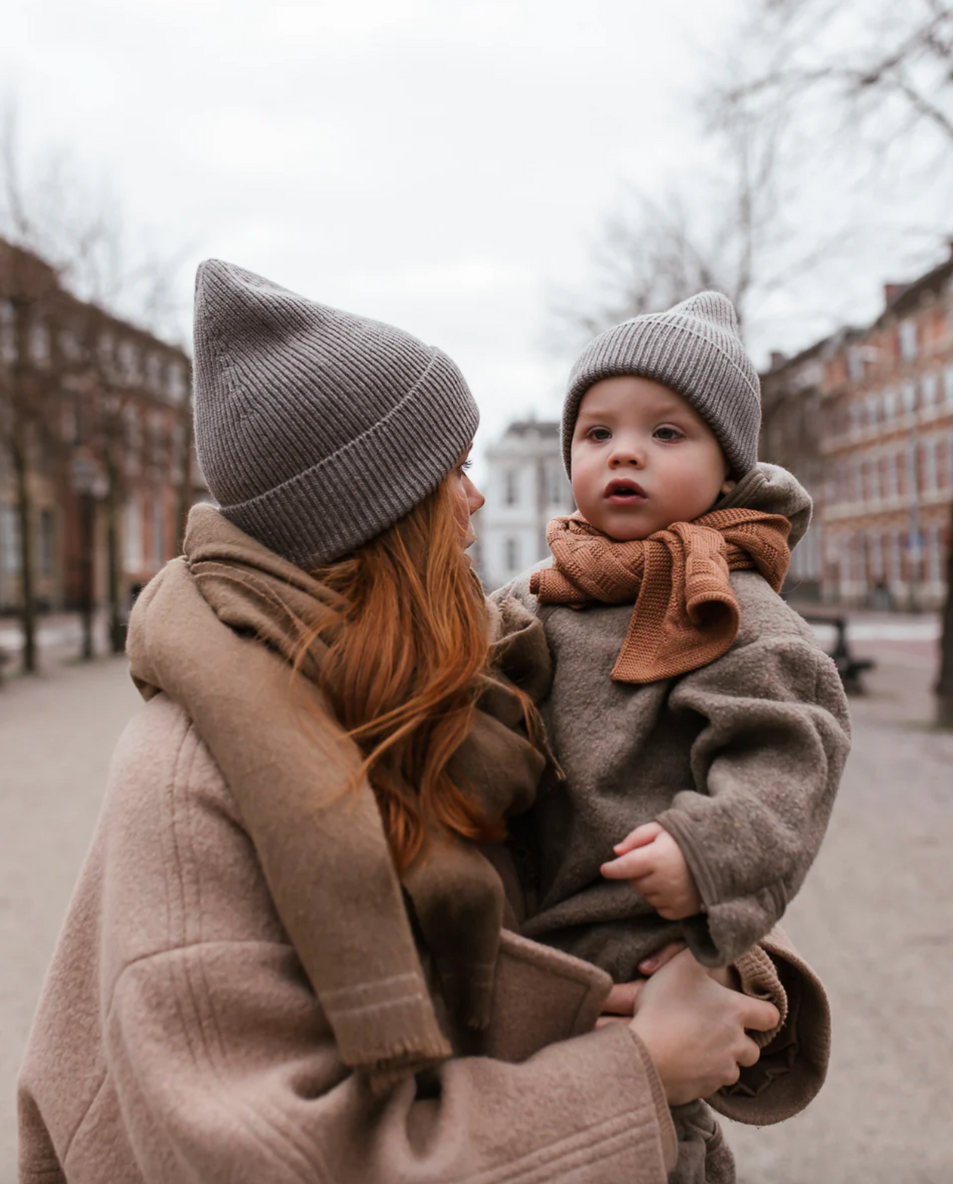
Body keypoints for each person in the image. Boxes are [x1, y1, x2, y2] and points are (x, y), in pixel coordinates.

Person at [19, 265, 817, 1184]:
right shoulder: (190, 774)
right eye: (453, 471)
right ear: (373, 514)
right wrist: (632, 1073)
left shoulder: (467, 679)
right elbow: (267, 1159)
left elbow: (627, 816)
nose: (475, 501)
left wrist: (723, 974)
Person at [495, 292, 851, 1181]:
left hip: (634, 932)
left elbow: (789, 755)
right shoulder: (539, 595)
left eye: (666, 434)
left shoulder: (731, 609)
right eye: (597, 432)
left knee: (653, 1134)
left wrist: (704, 851)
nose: (624, 451)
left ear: (727, 470)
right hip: (525, 934)